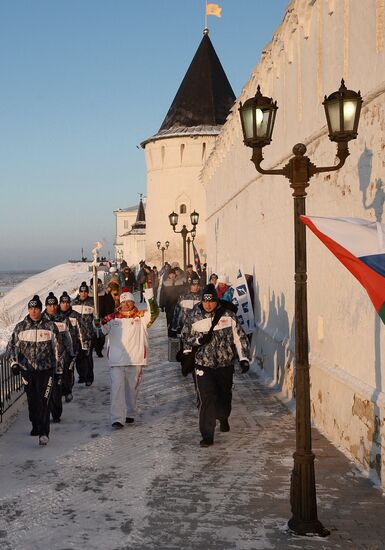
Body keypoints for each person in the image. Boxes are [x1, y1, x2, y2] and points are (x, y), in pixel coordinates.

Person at [181, 284, 250, 447]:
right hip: (203, 364)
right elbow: (184, 337)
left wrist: (243, 358)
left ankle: (223, 416)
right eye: (205, 302)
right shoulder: (193, 316)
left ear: (216, 300)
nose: (208, 305)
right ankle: (207, 435)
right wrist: (197, 340)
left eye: (211, 301)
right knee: (206, 398)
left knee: (224, 397)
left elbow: (239, 337)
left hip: (224, 363)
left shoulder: (228, 315)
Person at [99, 288, 159, 428]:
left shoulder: (141, 317)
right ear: (120, 303)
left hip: (135, 359)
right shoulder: (112, 318)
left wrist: (149, 296)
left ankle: (130, 413)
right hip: (116, 360)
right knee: (116, 389)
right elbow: (100, 330)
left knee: (132, 390)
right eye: (123, 302)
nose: (126, 304)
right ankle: (117, 419)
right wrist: (97, 322)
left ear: (133, 302)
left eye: (129, 302)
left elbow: (155, 312)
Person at [7, 295, 62, 446]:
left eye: (36, 308)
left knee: (44, 401)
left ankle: (44, 433)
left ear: (40, 309)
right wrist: (14, 364)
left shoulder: (50, 326)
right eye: (31, 308)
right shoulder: (20, 327)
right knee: (32, 401)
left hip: (46, 370)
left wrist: (58, 370)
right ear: (28, 310)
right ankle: (36, 426)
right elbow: (10, 347)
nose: (33, 311)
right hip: (27, 370)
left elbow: (58, 349)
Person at [42, 292, 74, 422]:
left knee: (56, 389)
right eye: (50, 305)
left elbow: (69, 338)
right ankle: (41, 417)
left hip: (59, 360)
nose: (53, 307)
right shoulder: (40, 320)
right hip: (43, 362)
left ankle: (56, 413)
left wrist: (71, 354)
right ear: (46, 306)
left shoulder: (63, 319)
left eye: (54, 304)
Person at [59, 291, 85, 402]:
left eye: (67, 302)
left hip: (72, 349)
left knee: (69, 371)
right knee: (59, 372)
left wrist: (83, 345)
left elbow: (81, 331)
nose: (65, 304)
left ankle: (68, 391)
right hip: (59, 350)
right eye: (63, 302)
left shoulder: (75, 315)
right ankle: (61, 391)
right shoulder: (56, 316)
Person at [72, 281, 95, 386]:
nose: (84, 293)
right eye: (82, 291)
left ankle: (89, 378)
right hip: (76, 335)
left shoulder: (92, 303)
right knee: (78, 357)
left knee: (88, 357)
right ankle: (81, 376)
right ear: (79, 292)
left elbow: (97, 316)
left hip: (88, 335)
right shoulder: (74, 303)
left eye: (85, 291)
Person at [159, 269, 185, 337]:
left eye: (173, 274)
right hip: (169, 306)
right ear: (168, 275)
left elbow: (184, 292)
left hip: (179, 305)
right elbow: (162, 294)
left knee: (179, 319)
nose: (172, 275)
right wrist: (161, 305)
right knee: (170, 320)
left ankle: (178, 334)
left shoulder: (180, 282)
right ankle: (170, 335)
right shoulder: (165, 283)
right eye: (170, 274)